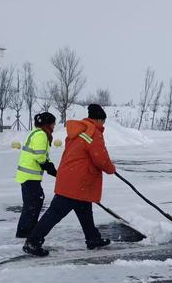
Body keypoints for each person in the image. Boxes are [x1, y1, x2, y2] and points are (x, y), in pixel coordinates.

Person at [23, 104, 116, 256]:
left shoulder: (78, 131)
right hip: (78, 181)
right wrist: (111, 168)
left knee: (84, 209)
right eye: (103, 122)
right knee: (55, 213)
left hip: (70, 177)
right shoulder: (94, 133)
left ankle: (93, 238)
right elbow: (100, 158)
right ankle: (33, 242)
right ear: (99, 120)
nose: (103, 125)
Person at [15, 112, 57, 238]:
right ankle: (24, 231)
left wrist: (49, 166)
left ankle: (28, 229)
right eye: (53, 123)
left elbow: (41, 155)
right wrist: (48, 166)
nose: (54, 126)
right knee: (33, 202)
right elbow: (39, 155)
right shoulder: (41, 135)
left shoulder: (36, 133)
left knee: (34, 202)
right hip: (29, 176)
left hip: (27, 175)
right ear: (47, 124)